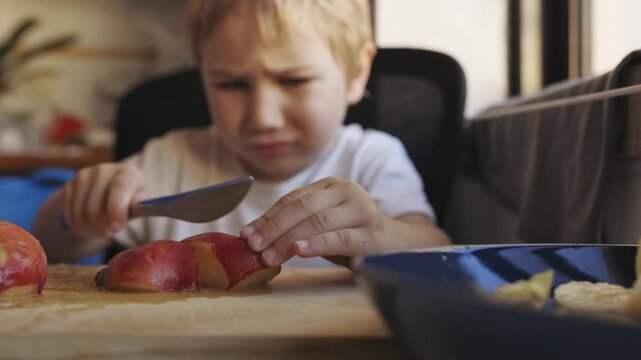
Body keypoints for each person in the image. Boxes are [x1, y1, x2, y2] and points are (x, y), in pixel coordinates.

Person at [33, 0, 450, 268]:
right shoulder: (167, 159)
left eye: (293, 81)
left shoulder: (372, 159)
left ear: (357, 73)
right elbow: (51, 246)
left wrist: (382, 234)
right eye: (231, 85)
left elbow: (437, 247)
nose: (263, 117)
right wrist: (78, 213)